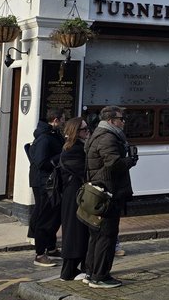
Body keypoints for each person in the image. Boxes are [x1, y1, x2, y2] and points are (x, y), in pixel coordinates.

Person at [84, 105, 137, 288]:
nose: (123, 122)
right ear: (111, 120)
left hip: (100, 191)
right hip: (107, 193)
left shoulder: (98, 134)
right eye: (121, 119)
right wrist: (130, 161)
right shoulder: (107, 137)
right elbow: (113, 164)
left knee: (97, 235)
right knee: (107, 235)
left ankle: (91, 272)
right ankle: (100, 276)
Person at [27, 109, 64, 267]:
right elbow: (41, 162)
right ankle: (40, 254)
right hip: (44, 183)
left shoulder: (53, 135)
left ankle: (51, 248)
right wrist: (62, 156)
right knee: (46, 217)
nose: (64, 122)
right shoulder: (44, 138)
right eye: (63, 119)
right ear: (55, 120)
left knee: (54, 216)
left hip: (51, 182)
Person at [58, 117, 91, 281]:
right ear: (76, 132)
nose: (88, 132)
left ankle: (78, 268)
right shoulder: (73, 150)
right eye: (84, 130)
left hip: (76, 194)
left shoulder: (77, 147)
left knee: (79, 231)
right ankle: (68, 271)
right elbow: (85, 171)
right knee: (74, 232)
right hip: (74, 195)